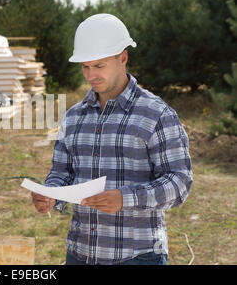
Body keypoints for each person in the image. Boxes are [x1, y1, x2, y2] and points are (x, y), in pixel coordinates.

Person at [31, 13, 193, 265]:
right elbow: (61, 171)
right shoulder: (74, 117)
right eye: (85, 66)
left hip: (138, 257)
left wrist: (124, 198)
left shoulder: (156, 114)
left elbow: (180, 182)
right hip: (79, 254)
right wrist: (50, 195)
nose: (90, 75)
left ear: (123, 58)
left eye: (99, 66)